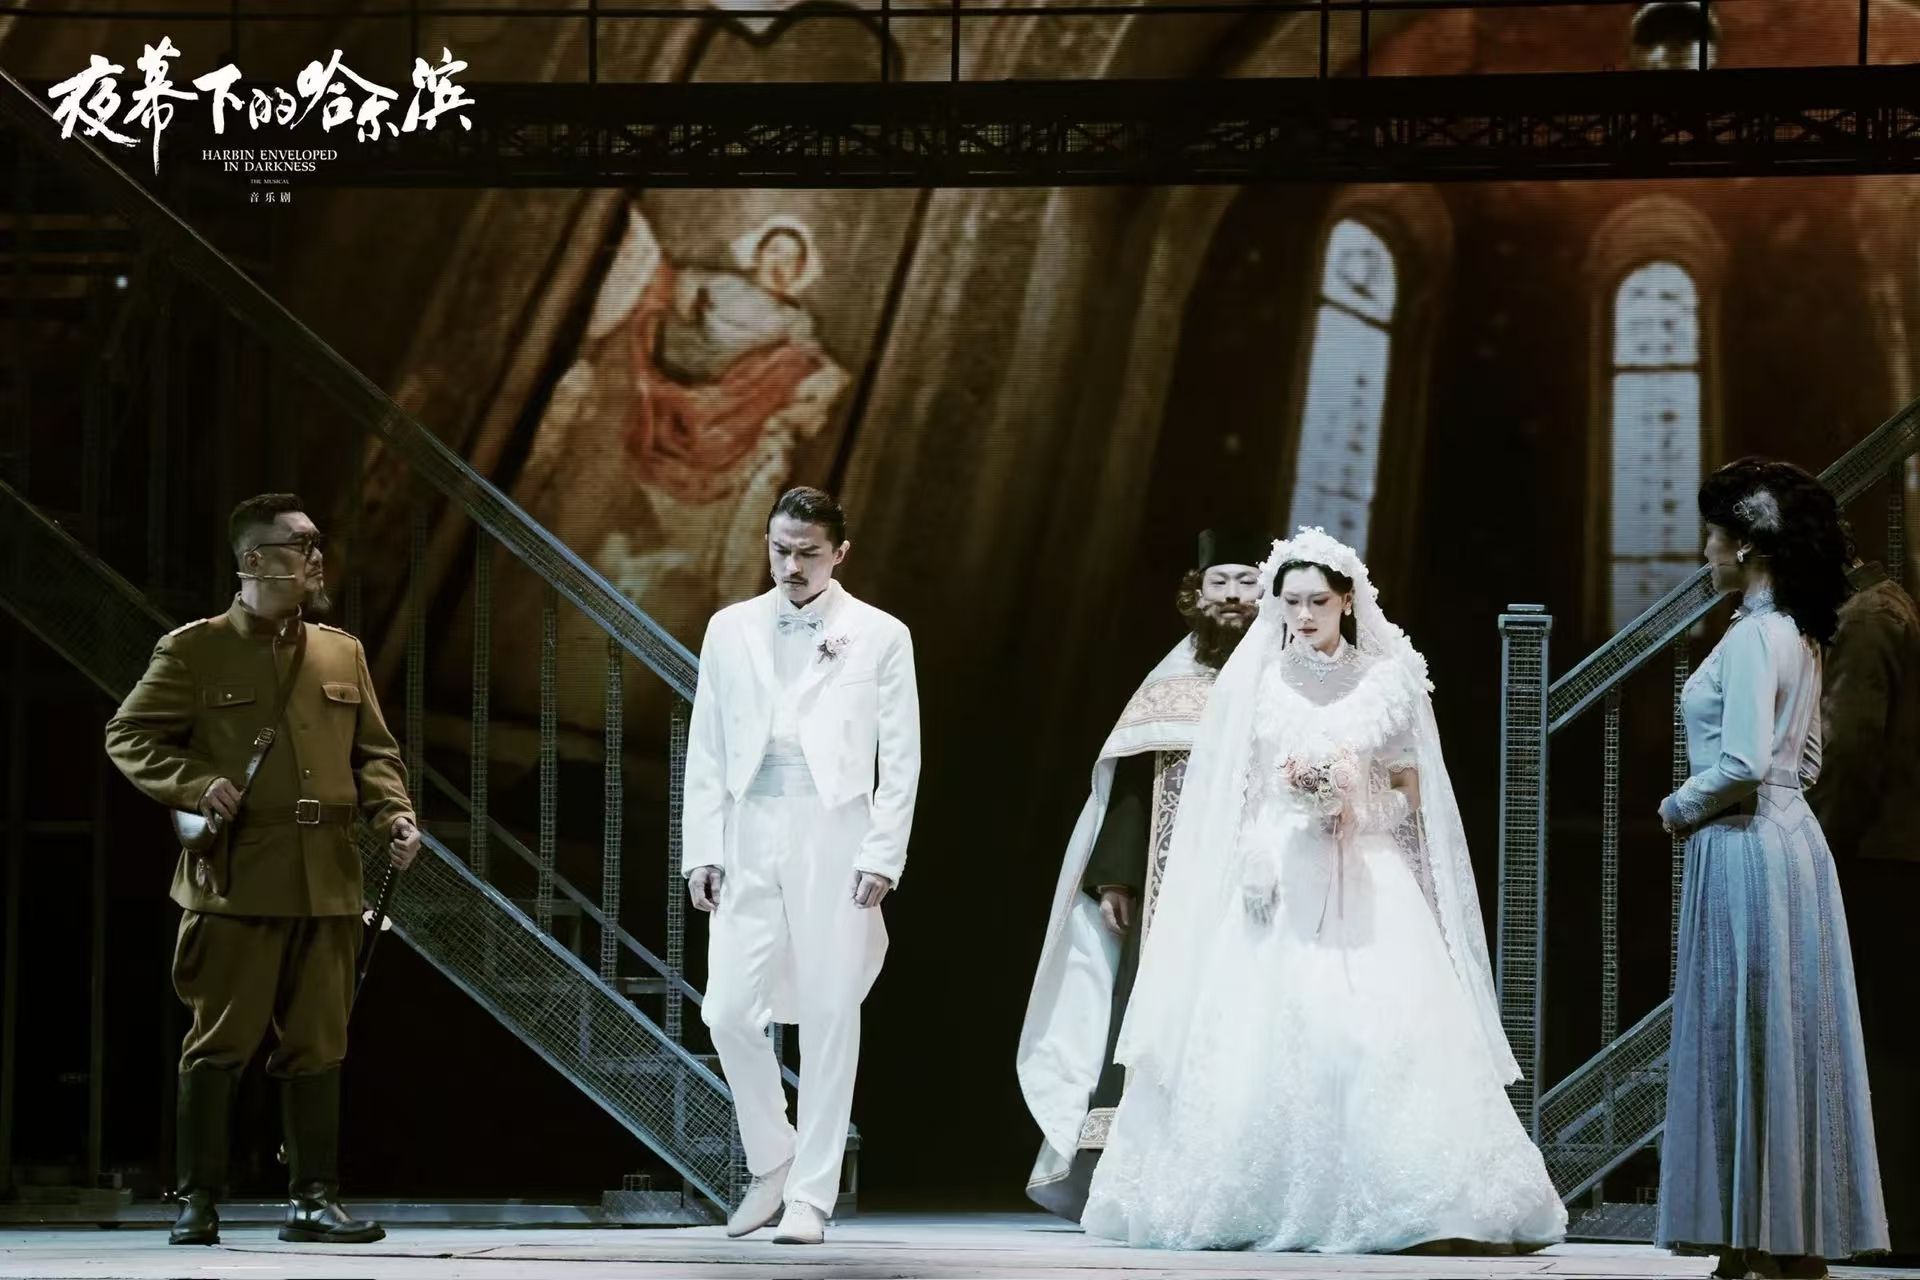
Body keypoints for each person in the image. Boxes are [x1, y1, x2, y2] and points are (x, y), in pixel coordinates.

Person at [1081, 526, 1566, 1254]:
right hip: (1278, 868)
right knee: (1270, 1023)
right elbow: (1235, 787)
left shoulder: (1386, 678)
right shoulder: (1257, 680)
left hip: (1364, 868)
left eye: (1316, 601)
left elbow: (1409, 784)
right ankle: (1260, 1194)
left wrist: (1360, 808)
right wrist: (1259, 848)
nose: (1303, 615)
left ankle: (1412, 1195)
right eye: (1291, 602)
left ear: (1347, 600)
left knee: (1374, 1030)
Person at [104, 494, 421, 1247]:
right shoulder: (194, 649)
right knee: (219, 1043)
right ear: (254, 560)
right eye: (300, 545)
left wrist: (395, 814)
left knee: (319, 1043)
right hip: (238, 877)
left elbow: (374, 753)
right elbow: (129, 735)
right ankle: (198, 1201)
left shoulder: (340, 653)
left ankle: (313, 1202)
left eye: (316, 543)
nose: (317, 558)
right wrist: (192, 783)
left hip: (328, 878)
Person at [1657, 460, 1888, 1280]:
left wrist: (1679, 805)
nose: (1706, 551)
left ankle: (1752, 1235)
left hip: (1744, 840)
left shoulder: (1757, 636)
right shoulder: (1798, 631)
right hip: (1792, 843)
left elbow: (1745, 761)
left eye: (1713, 536)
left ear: (1747, 544)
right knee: (1784, 1032)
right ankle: (1781, 1234)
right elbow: (1808, 760)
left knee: (1744, 1028)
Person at [682, 485, 920, 1246]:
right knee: (725, 1010)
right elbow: (707, 745)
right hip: (750, 821)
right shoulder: (730, 627)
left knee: (830, 1010)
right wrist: (702, 848)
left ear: (838, 554)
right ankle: (774, 1155)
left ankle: (812, 1195)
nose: (791, 566)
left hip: (835, 827)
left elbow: (902, 756)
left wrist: (883, 852)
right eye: (781, 550)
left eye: (808, 554)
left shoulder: (879, 633)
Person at [1018, 529, 1270, 1220]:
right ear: (1197, 593)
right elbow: (1130, 784)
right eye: (1219, 582)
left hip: (1263, 889)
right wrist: (1118, 879)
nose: (1232, 596)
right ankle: (1137, 1178)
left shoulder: (1289, 676)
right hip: (1169, 896)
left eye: (1246, 582)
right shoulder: (1170, 682)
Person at [1810, 551, 1920, 1258]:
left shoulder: (1866, 620)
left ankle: (1893, 1223)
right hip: (1893, 854)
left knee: (1884, 1040)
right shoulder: (1887, 606)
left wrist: (1815, 848)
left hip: (1880, 856)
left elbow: (1850, 749)